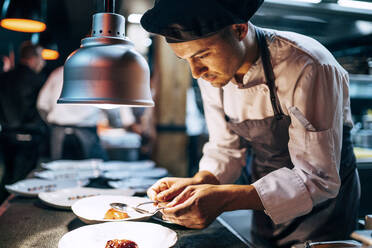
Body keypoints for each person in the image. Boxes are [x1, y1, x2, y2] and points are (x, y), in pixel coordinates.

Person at [140, 0, 360, 247]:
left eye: (202, 55)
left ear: (239, 29)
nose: (196, 72)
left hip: (324, 216)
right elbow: (226, 149)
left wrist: (227, 199)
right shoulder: (212, 74)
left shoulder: (308, 64)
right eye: (186, 60)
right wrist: (199, 182)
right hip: (264, 206)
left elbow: (318, 179)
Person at [37, 66, 138, 160]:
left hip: (58, 132)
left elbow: (42, 104)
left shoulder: (58, 72)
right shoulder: (99, 74)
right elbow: (113, 107)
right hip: (86, 133)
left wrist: (50, 124)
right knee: (92, 172)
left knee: (58, 172)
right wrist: (118, 123)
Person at [0, 41, 47, 202]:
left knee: (8, 176)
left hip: (6, 136)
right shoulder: (38, 80)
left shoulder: (4, 77)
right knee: (24, 182)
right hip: (29, 137)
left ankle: (2, 211)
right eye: (41, 58)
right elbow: (44, 109)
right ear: (33, 58)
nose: (44, 62)